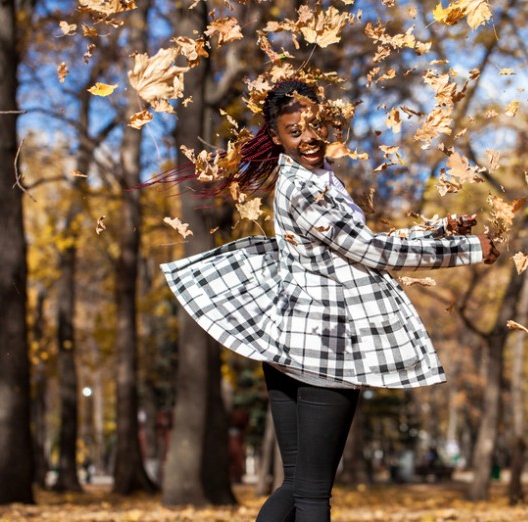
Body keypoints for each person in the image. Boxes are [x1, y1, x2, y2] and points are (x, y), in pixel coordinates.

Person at [159, 79, 499, 522]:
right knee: (314, 494)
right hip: (323, 348)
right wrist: (467, 250)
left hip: (292, 344)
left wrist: (442, 230)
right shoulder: (305, 190)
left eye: (314, 125)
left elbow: (363, 242)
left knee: (298, 484)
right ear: (277, 137)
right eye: (294, 130)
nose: (309, 137)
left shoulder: (318, 179)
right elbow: (372, 253)